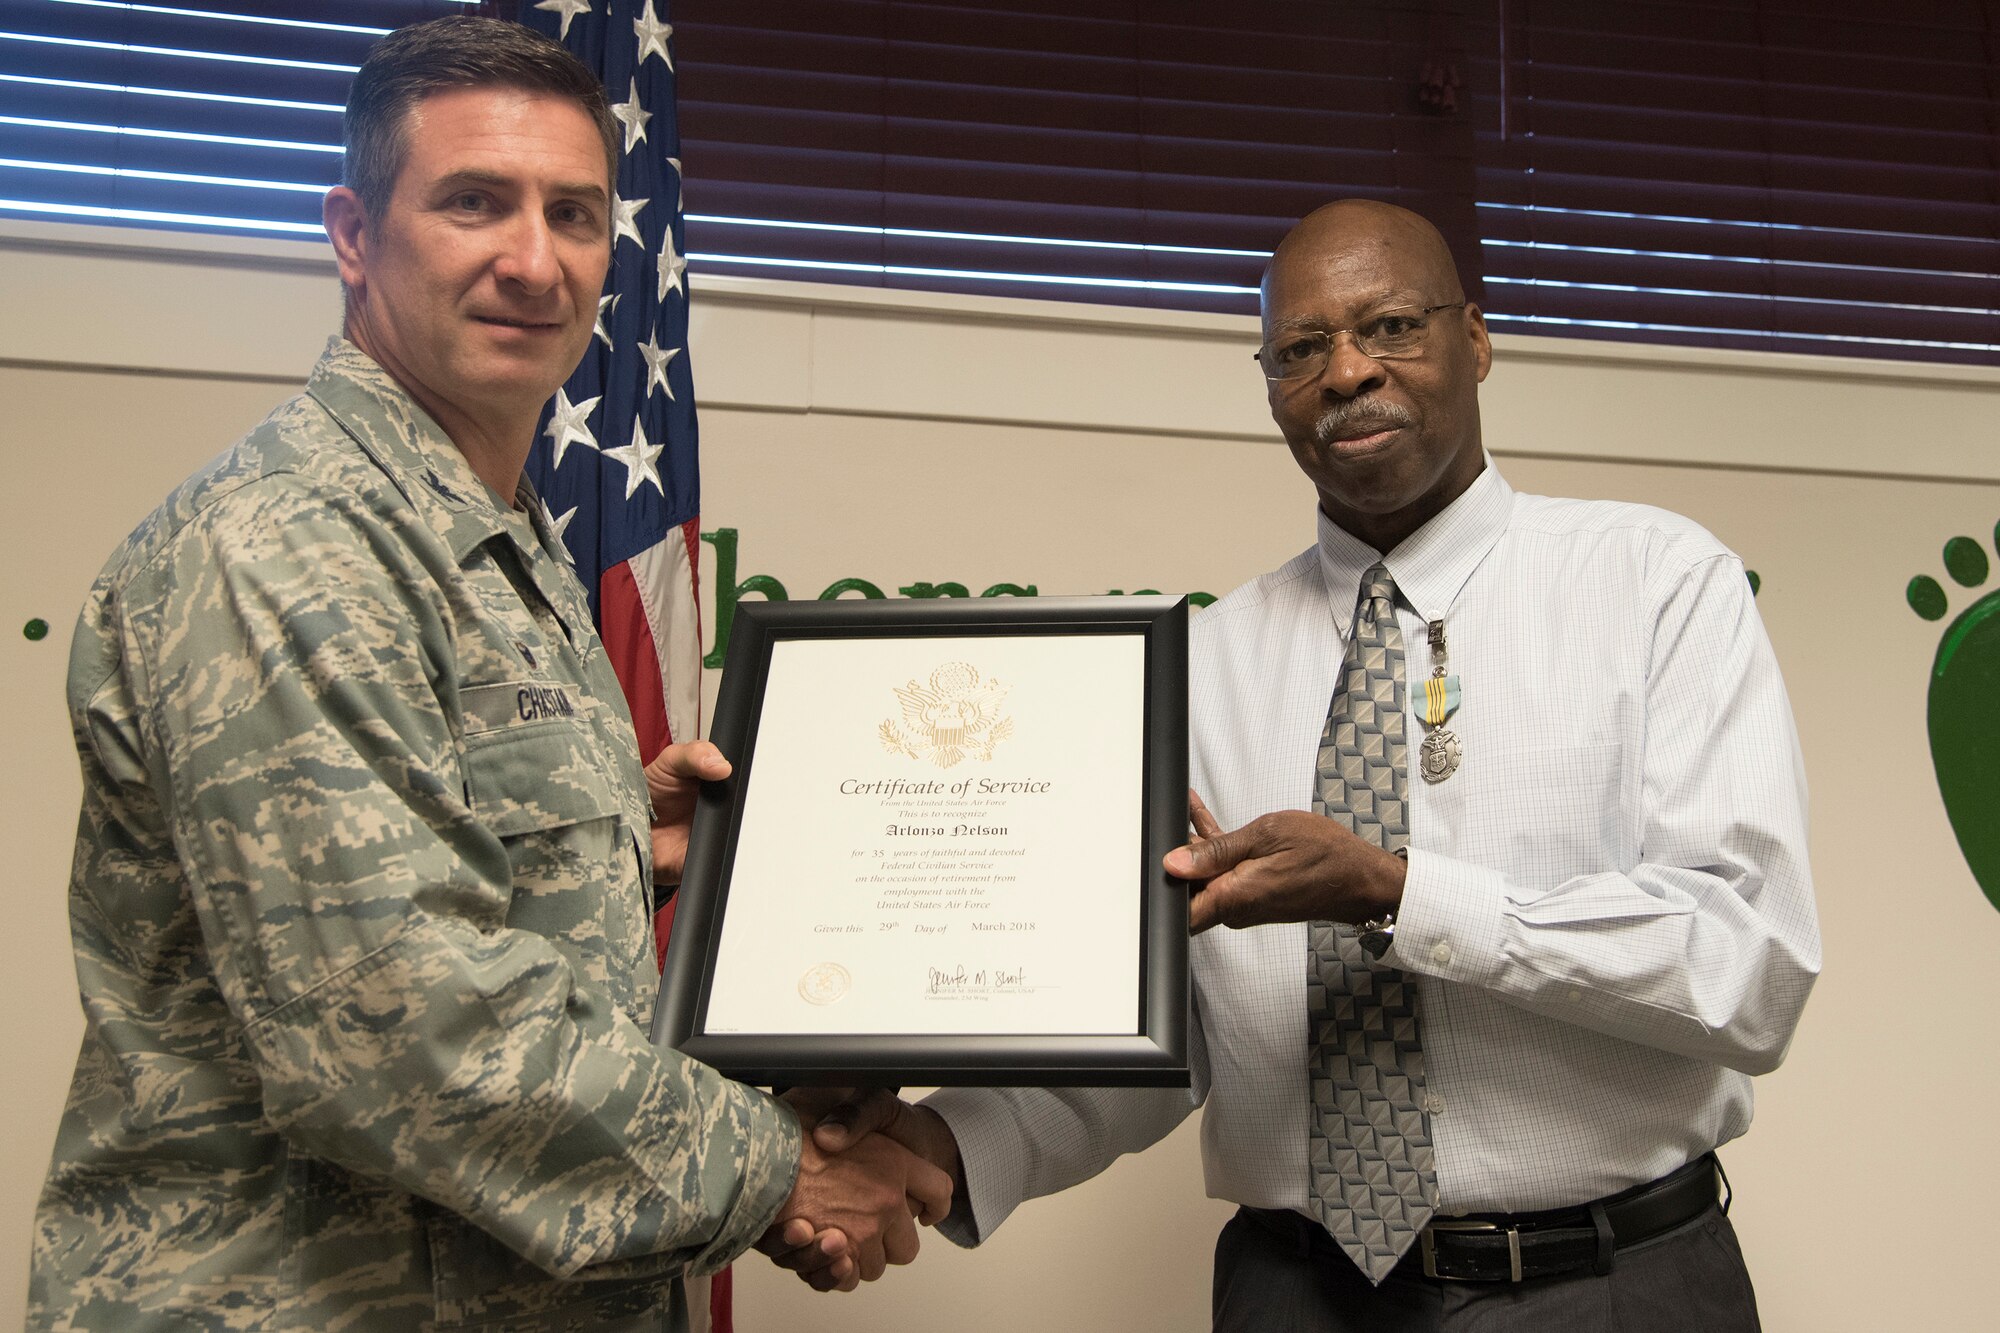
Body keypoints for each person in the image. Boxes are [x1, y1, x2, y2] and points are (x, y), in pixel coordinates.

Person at [28, 17, 947, 1330]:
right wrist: (785, 1162)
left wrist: (617, 842)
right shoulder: (291, 548)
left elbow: (437, 883)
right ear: (353, 234)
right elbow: (407, 1044)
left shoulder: (490, 533)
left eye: (575, 213)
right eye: (474, 202)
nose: (534, 260)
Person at [790, 199, 1821, 1331]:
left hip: (1604, 1285)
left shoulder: (1654, 585)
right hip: (1293, 1292)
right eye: (1299, 349)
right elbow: (1153, 1017)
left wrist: (1398, 892)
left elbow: (1741, 968)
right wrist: (932, 1143)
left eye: (1388, 326)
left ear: (1473, 340)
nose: (1344, 372)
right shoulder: (1199, 661)